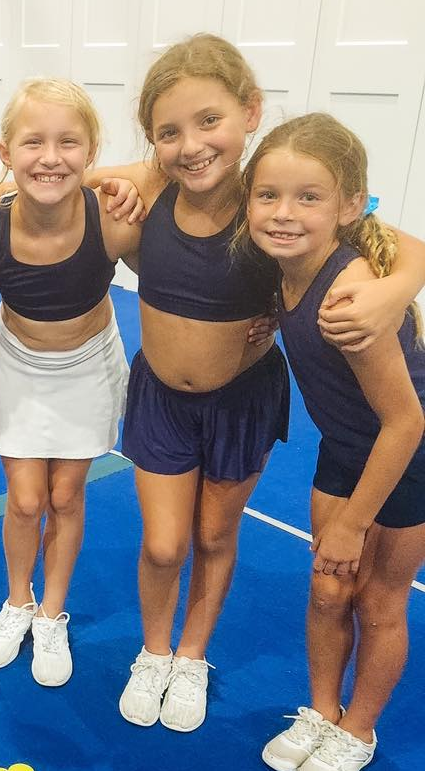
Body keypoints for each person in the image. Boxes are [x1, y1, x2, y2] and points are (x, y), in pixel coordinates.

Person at [81, 34, 425, 732]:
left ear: (250, 112)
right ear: (153, 141)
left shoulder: (266, 197)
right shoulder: (156, 184)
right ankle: (154, 650)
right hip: (163, 400)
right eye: (170, 132)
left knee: (215, 536)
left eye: (210, 121)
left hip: (242, 399)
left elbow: (394, 240)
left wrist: (398, 290)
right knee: (164, 544)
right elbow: (57, 173)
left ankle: (192, 654)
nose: (192, 145)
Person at [238, 113, 425, 771]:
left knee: (378, 601)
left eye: (308, 197)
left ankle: (358, 729)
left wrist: (353, 523)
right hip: (346, 448)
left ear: (349, 207)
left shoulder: (348, 299)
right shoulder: (286, 266)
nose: (284, 213)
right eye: (268, 195)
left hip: (408, 458)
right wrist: (275, 315)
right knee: (327, 590)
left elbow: (406, 424)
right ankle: (321, 709)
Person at [0, 78, 140, 687]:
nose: (50, 157)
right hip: (18, 367)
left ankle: (52, 612)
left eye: (68, 143)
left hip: (88, 365)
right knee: (27, 499)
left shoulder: (113, 220)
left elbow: (179, 226)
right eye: (33, 142)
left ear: (92, 152)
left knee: (65, 497)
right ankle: (18, 600)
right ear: (4, 152)